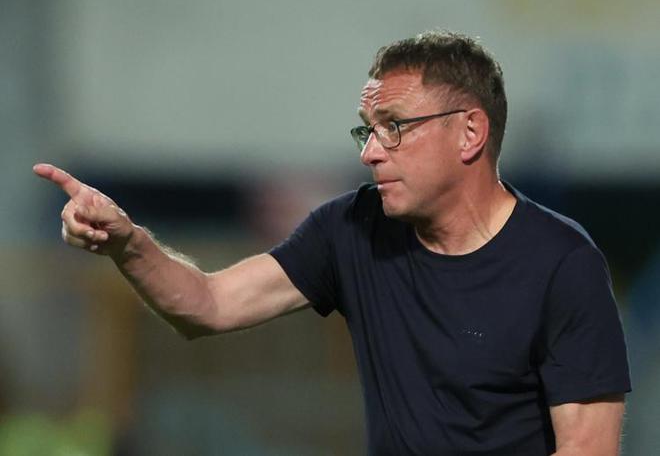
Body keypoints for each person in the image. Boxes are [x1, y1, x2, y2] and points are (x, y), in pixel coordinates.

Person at [34, 30, 631, 455]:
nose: (370, 152)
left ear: (470, 131)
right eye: (366, 131)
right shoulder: (350, 228)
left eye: (393, 128)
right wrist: (127, 242)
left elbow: (587, 449)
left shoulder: (562, 263)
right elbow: (208, 305)